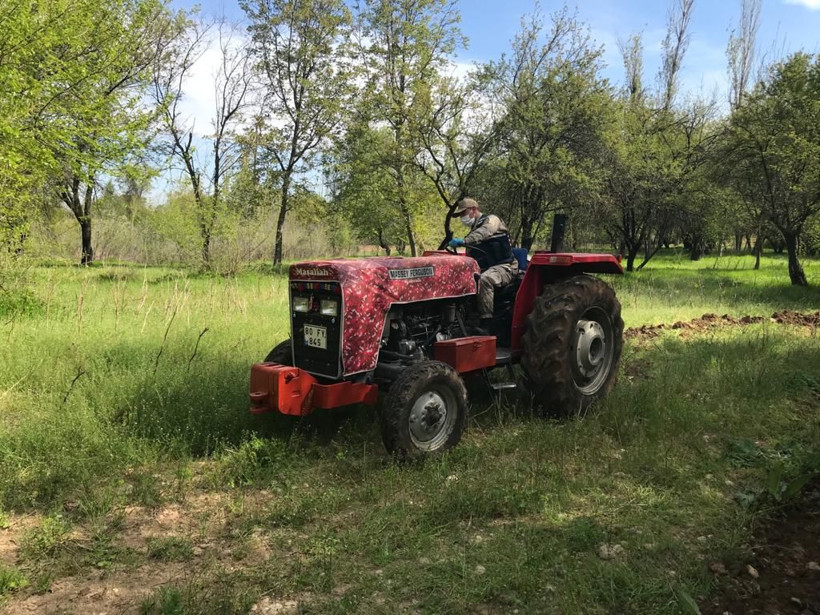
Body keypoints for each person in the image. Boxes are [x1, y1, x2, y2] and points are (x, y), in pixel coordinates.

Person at [448, 198, 518, 329]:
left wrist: (464, 241)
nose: (462, 217)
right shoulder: (473, 232)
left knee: (484, 280)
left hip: (505, 267)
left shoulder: (492, 220)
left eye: (464, 213)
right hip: (485, 268)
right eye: (460, 215)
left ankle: (486, 324)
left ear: (474, 209)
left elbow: (485, 231)